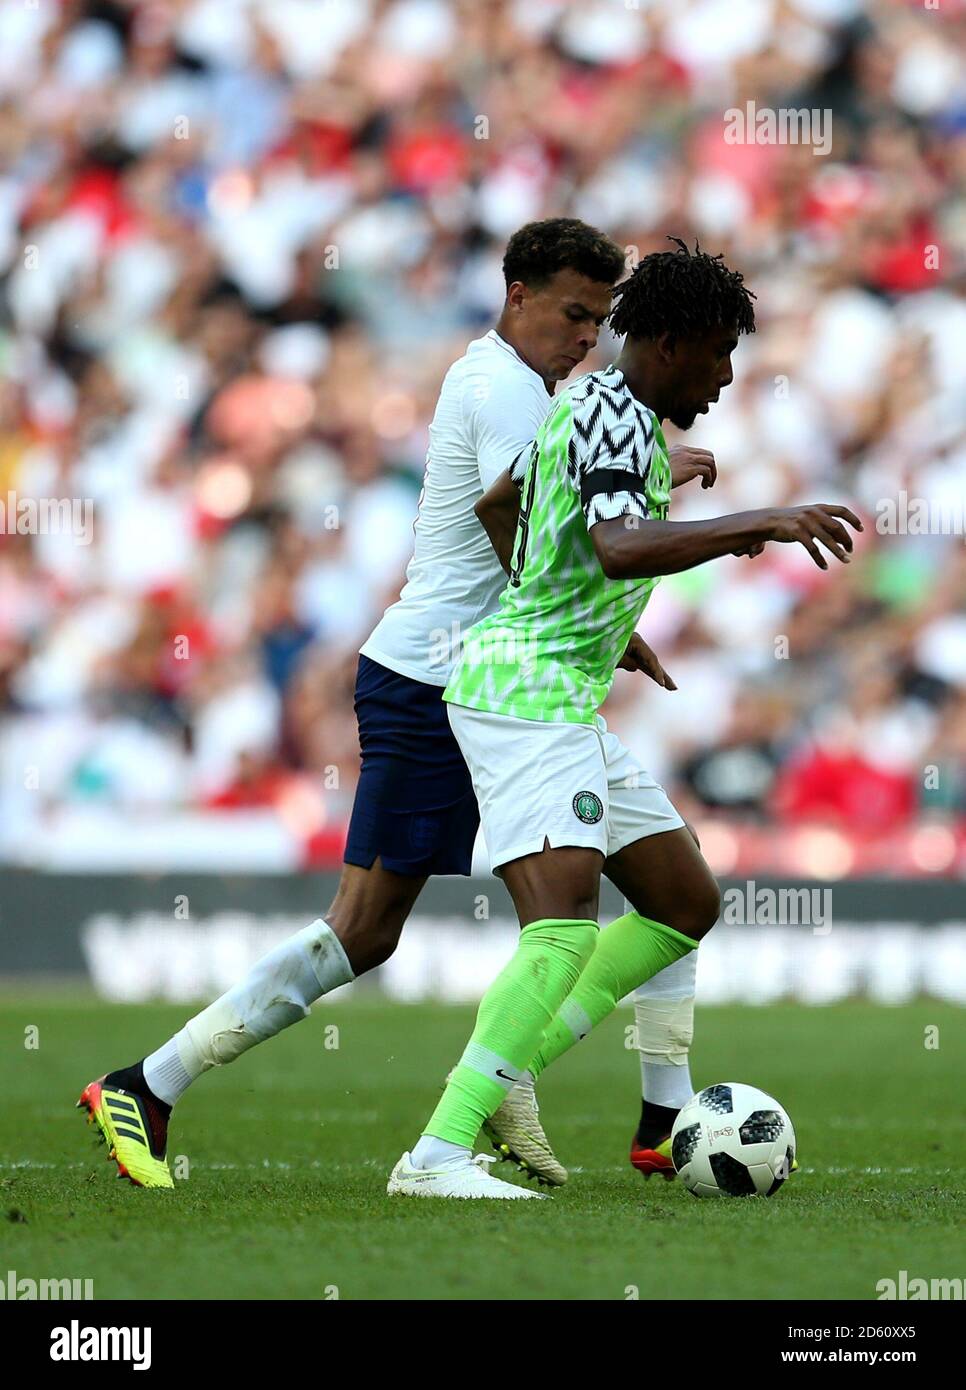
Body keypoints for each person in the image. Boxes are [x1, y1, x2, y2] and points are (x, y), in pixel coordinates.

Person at [388, 239, 861, 1199]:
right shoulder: (611, 410)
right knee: (561, 930)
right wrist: (759, 522)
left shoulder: (614, 412)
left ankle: (510, 1072)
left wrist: (575, 615)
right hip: (524, 698)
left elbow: (505, 503)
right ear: (677, 342)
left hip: (558, 683)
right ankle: (436, 1153)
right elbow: (617, 546)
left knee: (684, 904)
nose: (729, 375)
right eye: (722, 351)